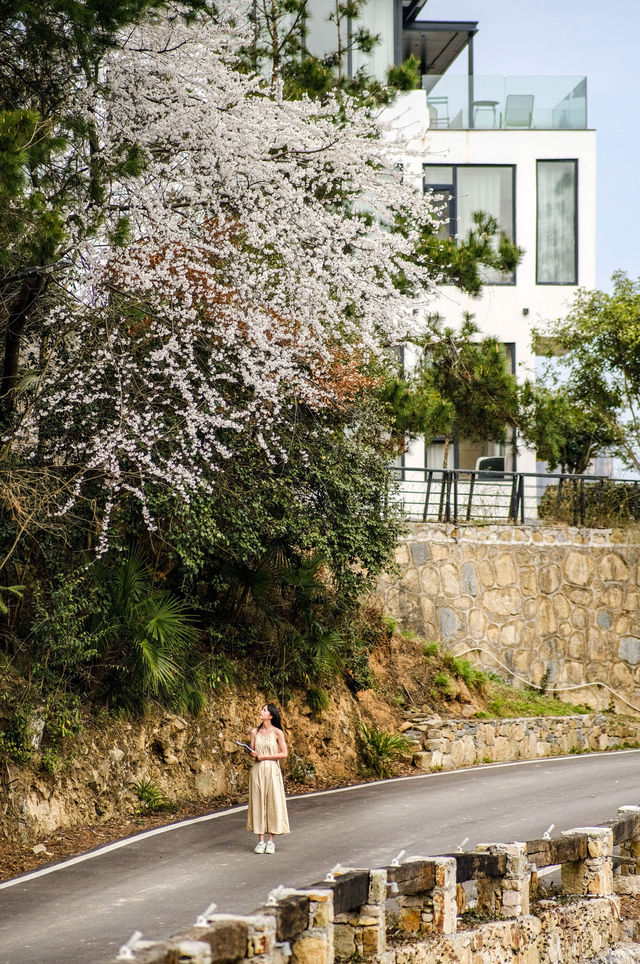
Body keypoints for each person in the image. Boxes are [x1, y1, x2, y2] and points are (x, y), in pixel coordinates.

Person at [247, 703, 290, 853]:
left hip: (272, 769)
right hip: (257, 770)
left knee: (272, 801)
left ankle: (271, 840)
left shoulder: (277, 732)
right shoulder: (255, 732)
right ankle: (260, 840)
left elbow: (284, 753)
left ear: (271, 715)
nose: (261, 711)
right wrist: (253, 753)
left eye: (264, 710)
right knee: (258, 801)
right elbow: (252, 751)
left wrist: (266, 756)